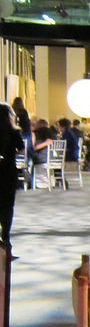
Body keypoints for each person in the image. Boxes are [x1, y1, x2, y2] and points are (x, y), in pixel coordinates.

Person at [0, 102, 24, 250]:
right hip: (8, 170)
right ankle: (6, 236)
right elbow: (21, 149)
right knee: (8, 205)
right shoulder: (13, 132)